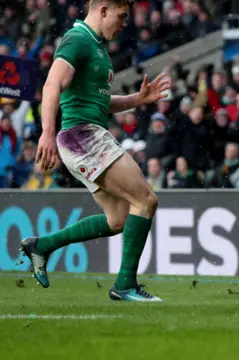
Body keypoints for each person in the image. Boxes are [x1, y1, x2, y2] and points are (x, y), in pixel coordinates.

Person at [20, 0, 171, 302]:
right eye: (121, 16)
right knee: (145, 200)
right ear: (103, 10)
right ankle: (125, 285)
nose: (124, 23)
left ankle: (42, 246)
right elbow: (51, 85)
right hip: (82, 136)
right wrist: (47, 134)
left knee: (118, 219)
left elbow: (101, 101)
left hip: (84, 137)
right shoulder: (78, 40)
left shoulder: (96, 47)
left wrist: (137, 100)